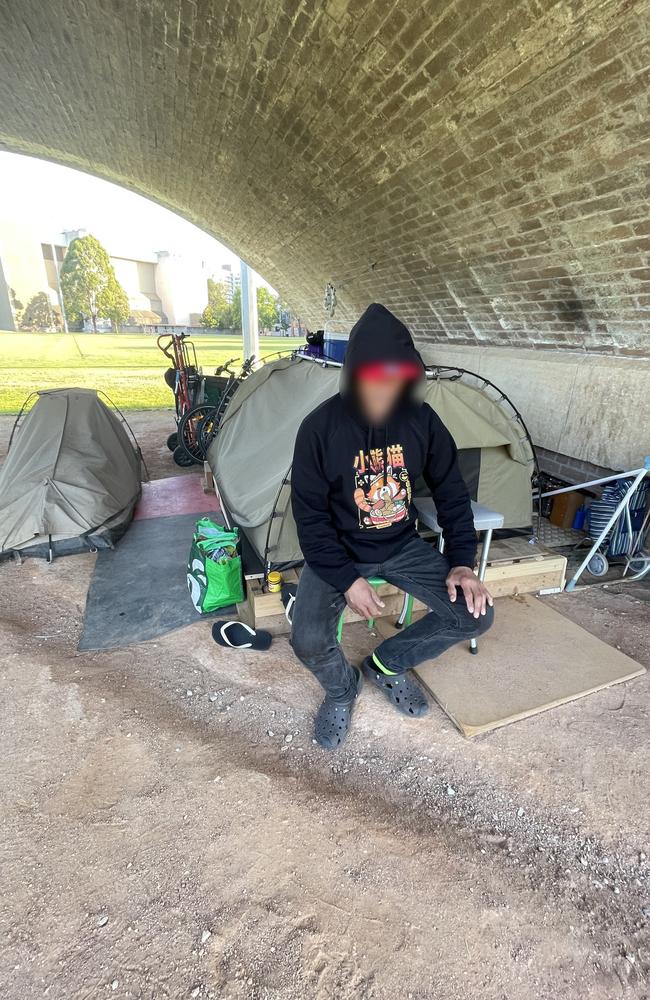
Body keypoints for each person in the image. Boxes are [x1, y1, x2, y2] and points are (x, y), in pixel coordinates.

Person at [290, 303, 494, 748]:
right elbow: (310, 519)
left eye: (394, 381)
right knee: (305, 639)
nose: (383, 392)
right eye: (372, 381)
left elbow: (452, 496)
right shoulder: (320, 429)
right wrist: (347, 580)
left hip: (401, 545)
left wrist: (461, 562)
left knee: (475, 615)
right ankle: (342, 690)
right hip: (338, 551)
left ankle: (385, 664)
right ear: (354, 375)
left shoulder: (422, 421)